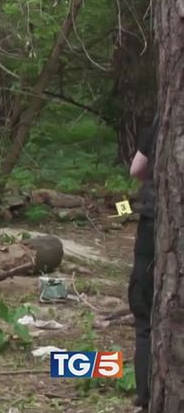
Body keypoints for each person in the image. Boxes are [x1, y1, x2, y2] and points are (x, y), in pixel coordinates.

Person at [128, 114, 159, 412]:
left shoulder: (166, 118)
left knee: (145, 317)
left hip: (154, 222)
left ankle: (146, 397)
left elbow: (136, 169)